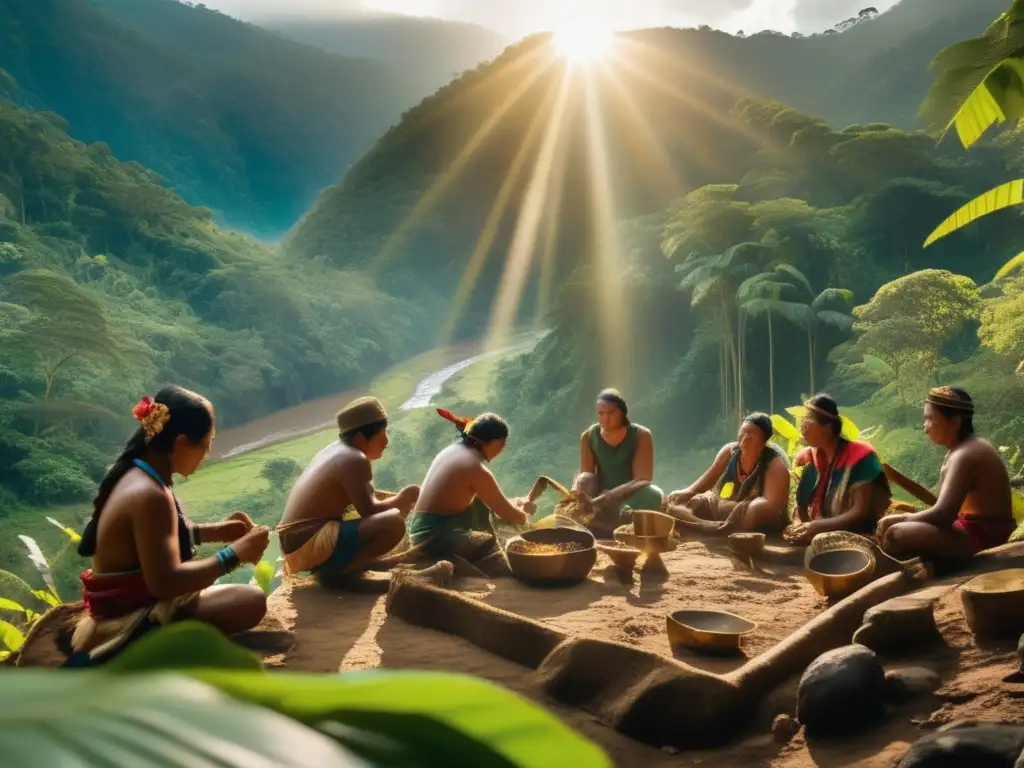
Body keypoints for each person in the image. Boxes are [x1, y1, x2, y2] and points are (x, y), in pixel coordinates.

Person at [68, 386, 270, 666]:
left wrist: (216, 531)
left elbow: (152, 539)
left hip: (131, 603)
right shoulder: (150, 494)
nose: (207, 453)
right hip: (133, 617)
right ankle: (152, 649)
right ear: (182, 442)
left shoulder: (138, 472)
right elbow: (165, 582)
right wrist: (234, 555)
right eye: (207, 444)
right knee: (250, 601)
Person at [277, 397, 419, 581]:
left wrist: (400, 497)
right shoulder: (354, 459)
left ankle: (348, 565)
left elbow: (363, 495)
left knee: (391, 512)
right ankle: (343, 572)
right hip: (308, 543)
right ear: (361, 437)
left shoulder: (337, 451)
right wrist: (404, 498)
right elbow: (369, 510)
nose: (386, 442)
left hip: (295, 542)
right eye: (382, 433)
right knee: (393, 523)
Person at [878, 387, 1015, 560]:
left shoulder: (966, 453)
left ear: (955, 422)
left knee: (897, 534)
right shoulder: (960, 449)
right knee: (896, 530)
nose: (925, 427)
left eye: (930, 419)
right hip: (968, 528)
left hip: (985, 537)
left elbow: (944, 514)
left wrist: (903, 518)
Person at [408, 409, 529, 559]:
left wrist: (510, 505)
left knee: (480, 505)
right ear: (492, 442)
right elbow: (506, 512)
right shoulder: (474, 468)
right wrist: (525, 518)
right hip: (431, 539)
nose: (501, 451)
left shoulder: (453, 450)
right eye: (501, 445)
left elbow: (489, 499)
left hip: (418, 529)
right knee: (488, 544)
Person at [786, 394, 892, 545]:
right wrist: (798, 527)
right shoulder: (811, 460)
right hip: (820, 532)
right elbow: (800, 507)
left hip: (859, 533)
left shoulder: (860, 457)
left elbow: (859, 511)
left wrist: (817, 526)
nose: (802, 425)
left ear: (827, 428)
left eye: (808, 420)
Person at [666, 413, 791, 534]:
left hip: (747, 514)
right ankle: (704, 525)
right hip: (720, 506)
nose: (745, 438)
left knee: (756, 509)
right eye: (742, 434)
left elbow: (772, 507)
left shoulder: (774, 465)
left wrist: (742, 509)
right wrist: (689, 491)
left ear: (764, 442)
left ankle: (726, 529)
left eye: (751, 436)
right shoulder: (730, 451)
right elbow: (709, 479)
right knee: (679, 502)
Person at [575, 389, 665, 532]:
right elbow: (586, 474)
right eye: (601, 413)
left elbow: (643, 478)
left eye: (611, 413)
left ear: (622, 413)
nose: (605, 418)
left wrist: (610, 496)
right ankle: (592, 520)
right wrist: (581, 499)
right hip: (600, 496)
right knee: (584, 479)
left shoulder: (641, 435)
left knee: (651, 495)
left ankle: (617, 522)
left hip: (632, 493)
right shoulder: (588, 436)